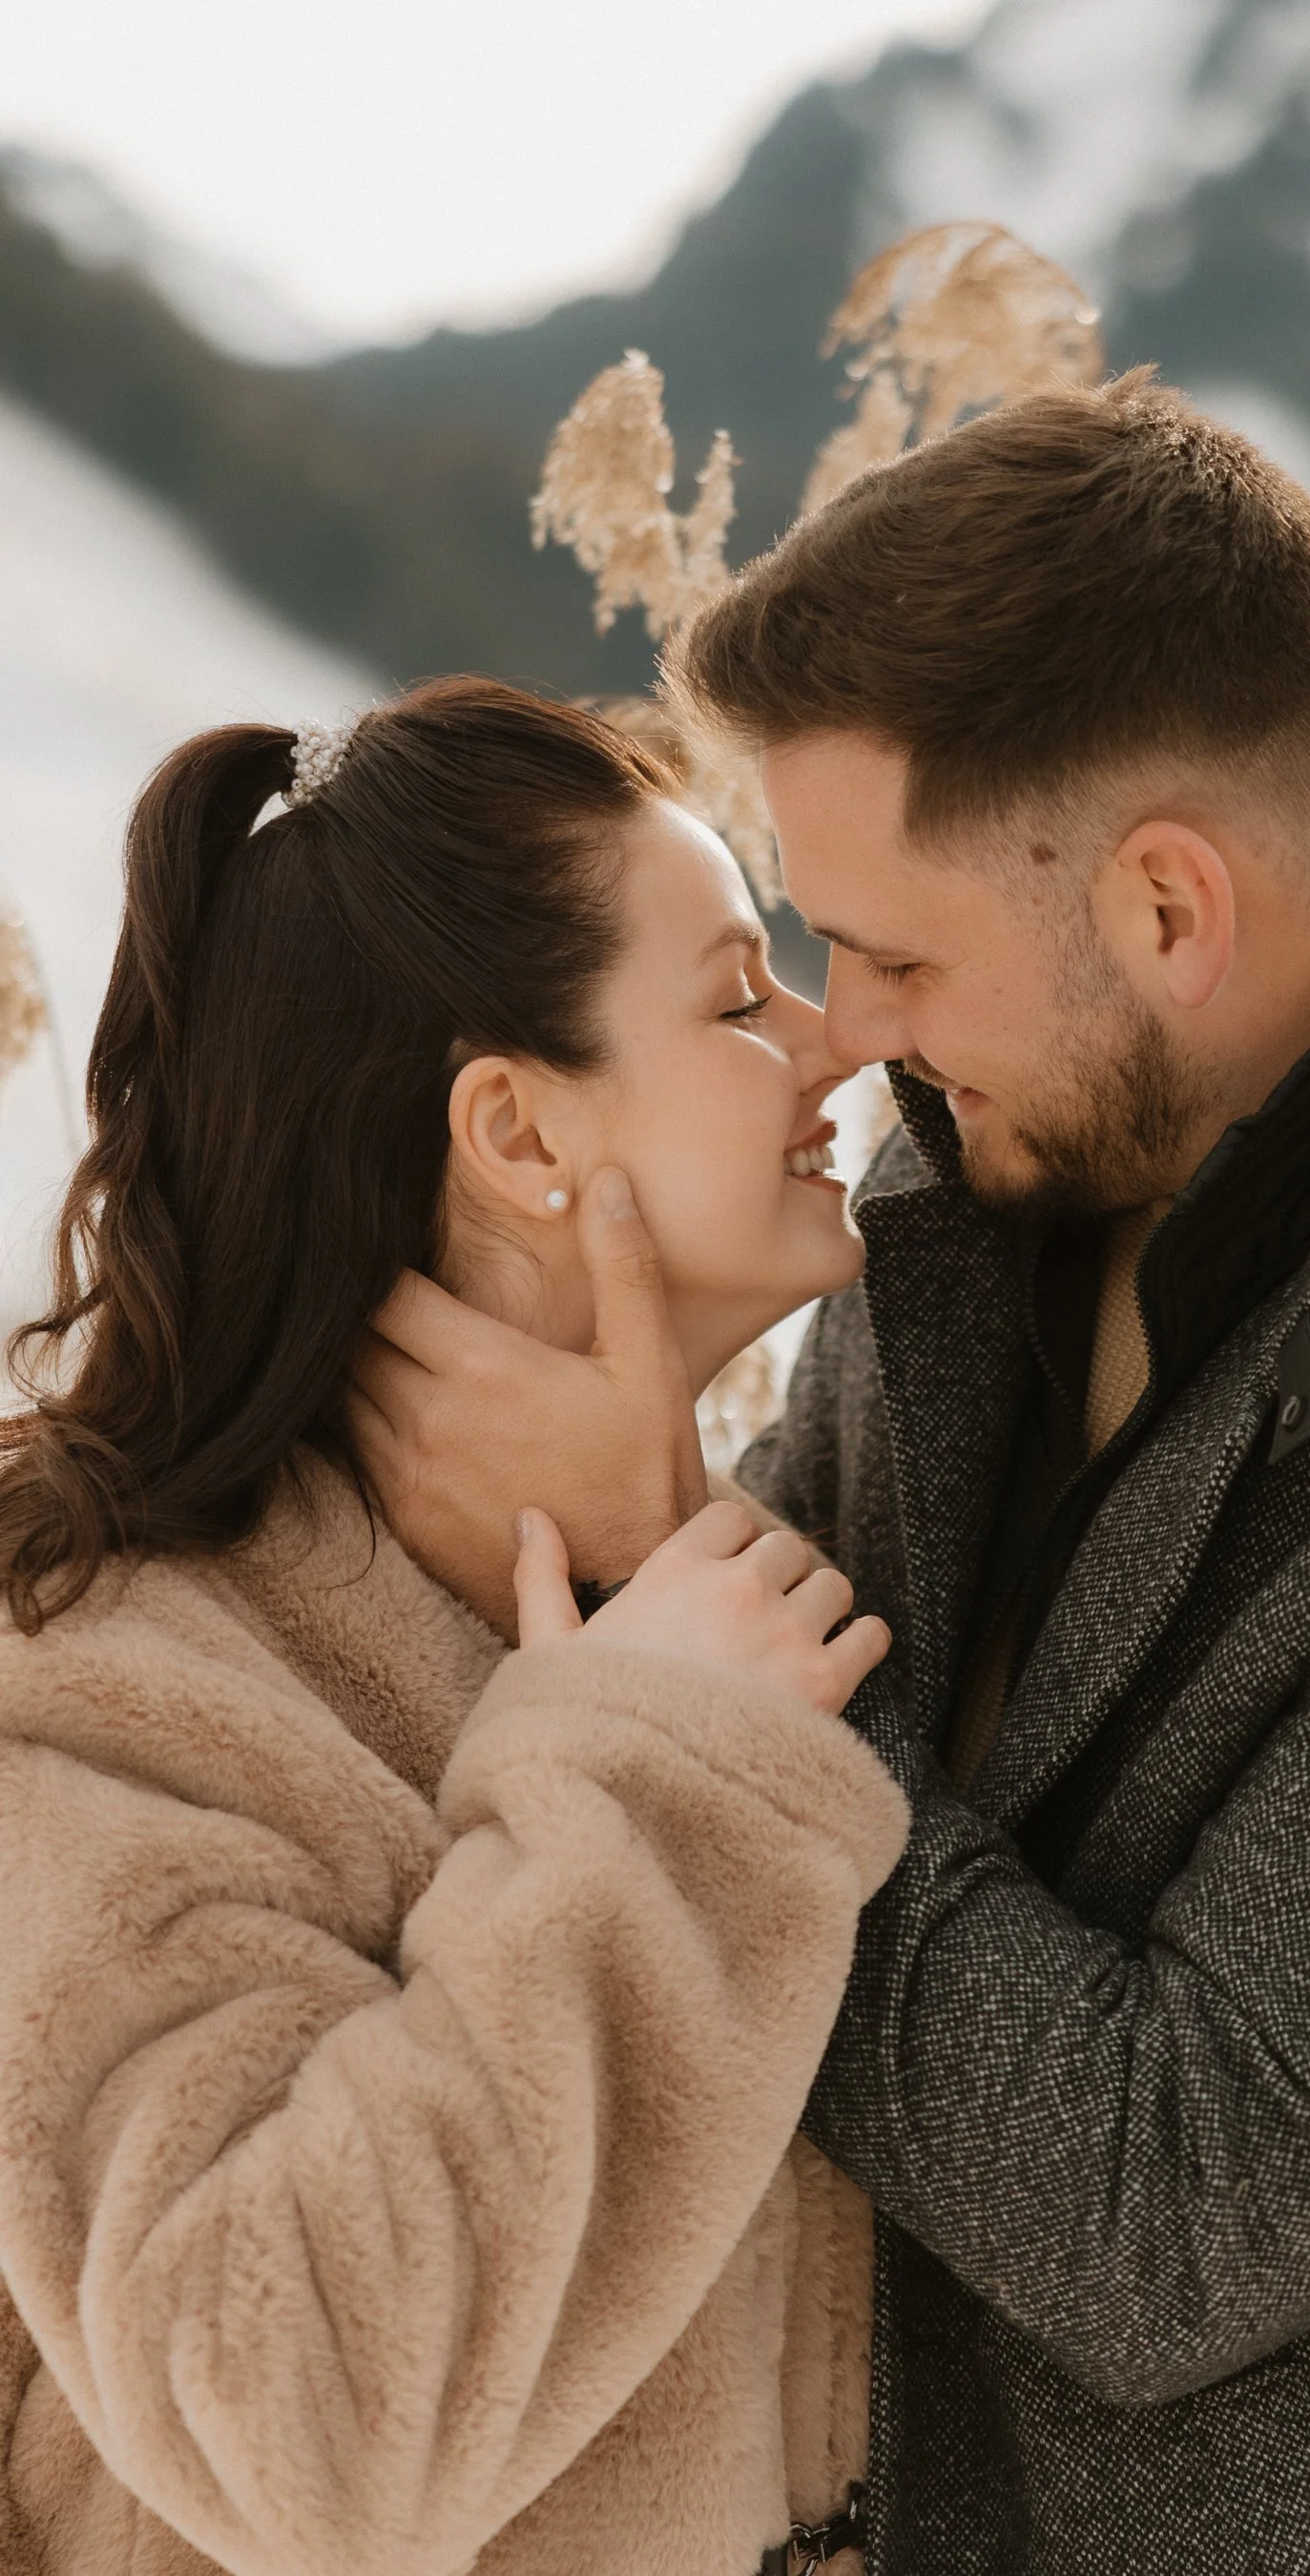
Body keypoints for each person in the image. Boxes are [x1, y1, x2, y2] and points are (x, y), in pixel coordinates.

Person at [360, 377, 1310, 2574]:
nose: (842, 1029)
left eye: (890, 955)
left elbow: (1163, 2214)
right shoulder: (990, 1161)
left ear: (1171, 909)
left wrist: (664, 1556)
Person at [0, 677, 906, 2576]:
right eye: (741, 998)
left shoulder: (694, 1598)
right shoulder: (101, 1678)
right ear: (512, 1130)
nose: (834, 1046)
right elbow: (289, 2427)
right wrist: (655, 1782)